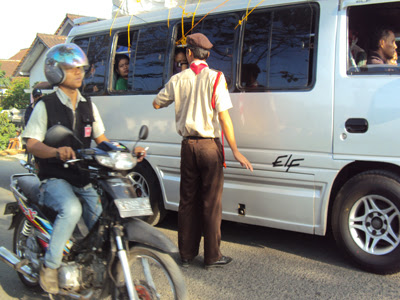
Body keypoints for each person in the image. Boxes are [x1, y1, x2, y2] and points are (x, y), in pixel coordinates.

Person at [22, 43, 145, 294]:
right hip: (55, 177)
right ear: (56, 73)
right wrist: (56, 152)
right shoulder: (45, 105)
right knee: (71, 208)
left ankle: (95, 266)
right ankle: (50, 266)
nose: (79, 73)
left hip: (83, 176)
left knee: (103, 217)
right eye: (71, 68)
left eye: (81, 69)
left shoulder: (89, 105)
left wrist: (128, 152)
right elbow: (32, 143)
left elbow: (102, 140)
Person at [152, 33, 253, 269]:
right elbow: (224, 117)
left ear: (189, 53)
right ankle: (212, 256)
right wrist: (235, 150)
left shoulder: (179, 79)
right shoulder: (216, 78)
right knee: (211, 202)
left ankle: (186, 255)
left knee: (187, 201)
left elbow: (157, 102)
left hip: (188, 146)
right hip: (209, 147)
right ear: (207, 55)